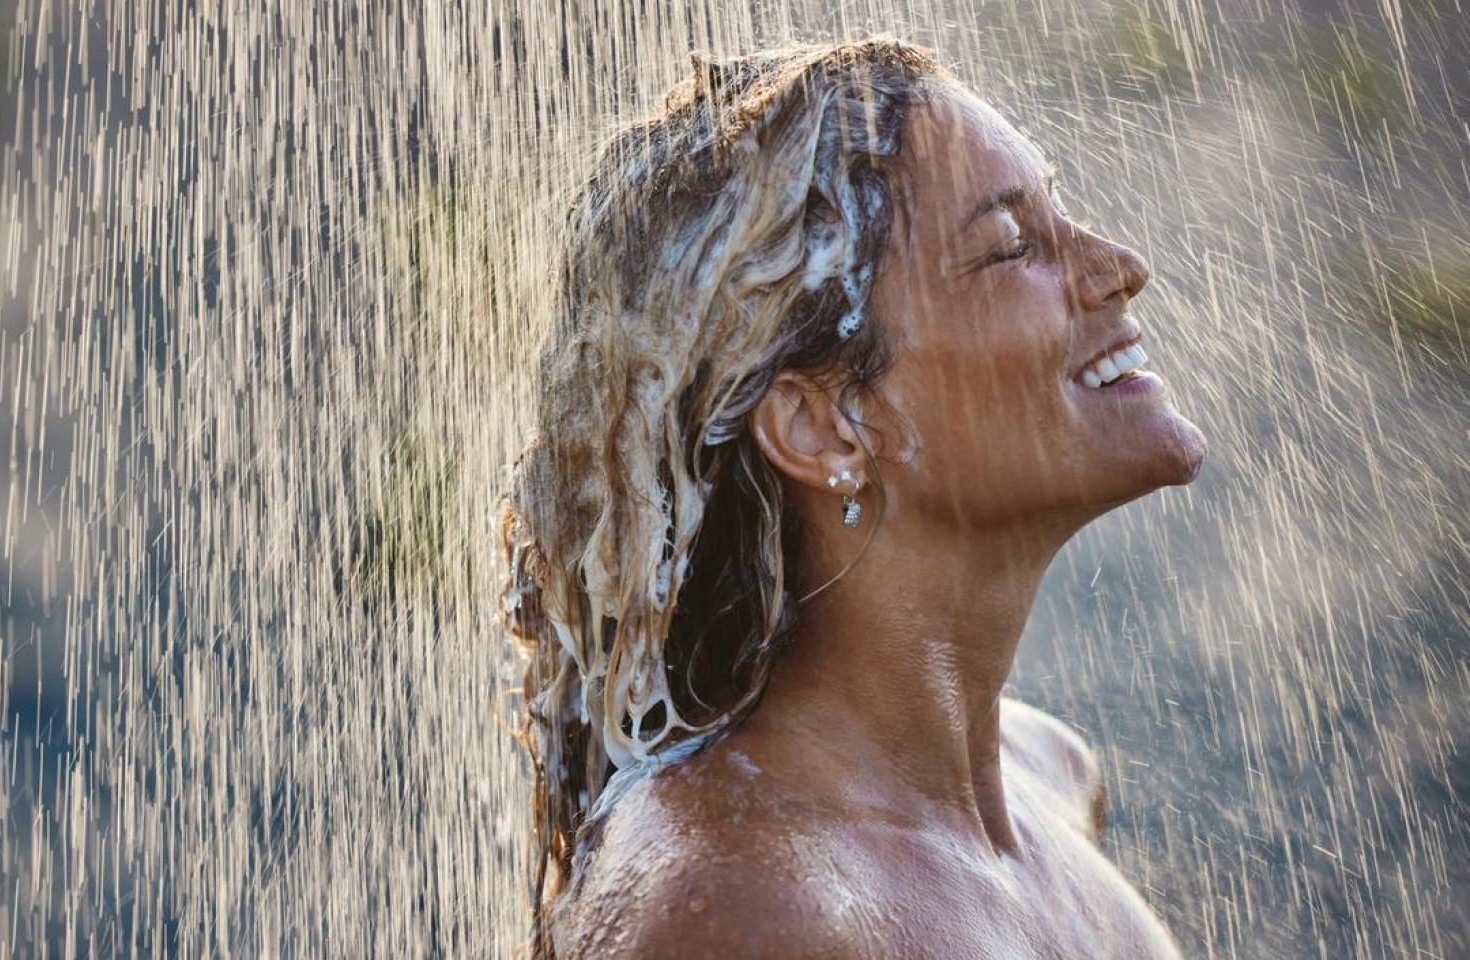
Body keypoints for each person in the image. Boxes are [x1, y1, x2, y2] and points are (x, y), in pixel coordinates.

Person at [496, 35, 1205, 959]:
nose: (1119, 265)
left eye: (1061, 212)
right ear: (822, 426)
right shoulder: (732, 903)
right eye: (1009, 247)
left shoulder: (1052, 776)